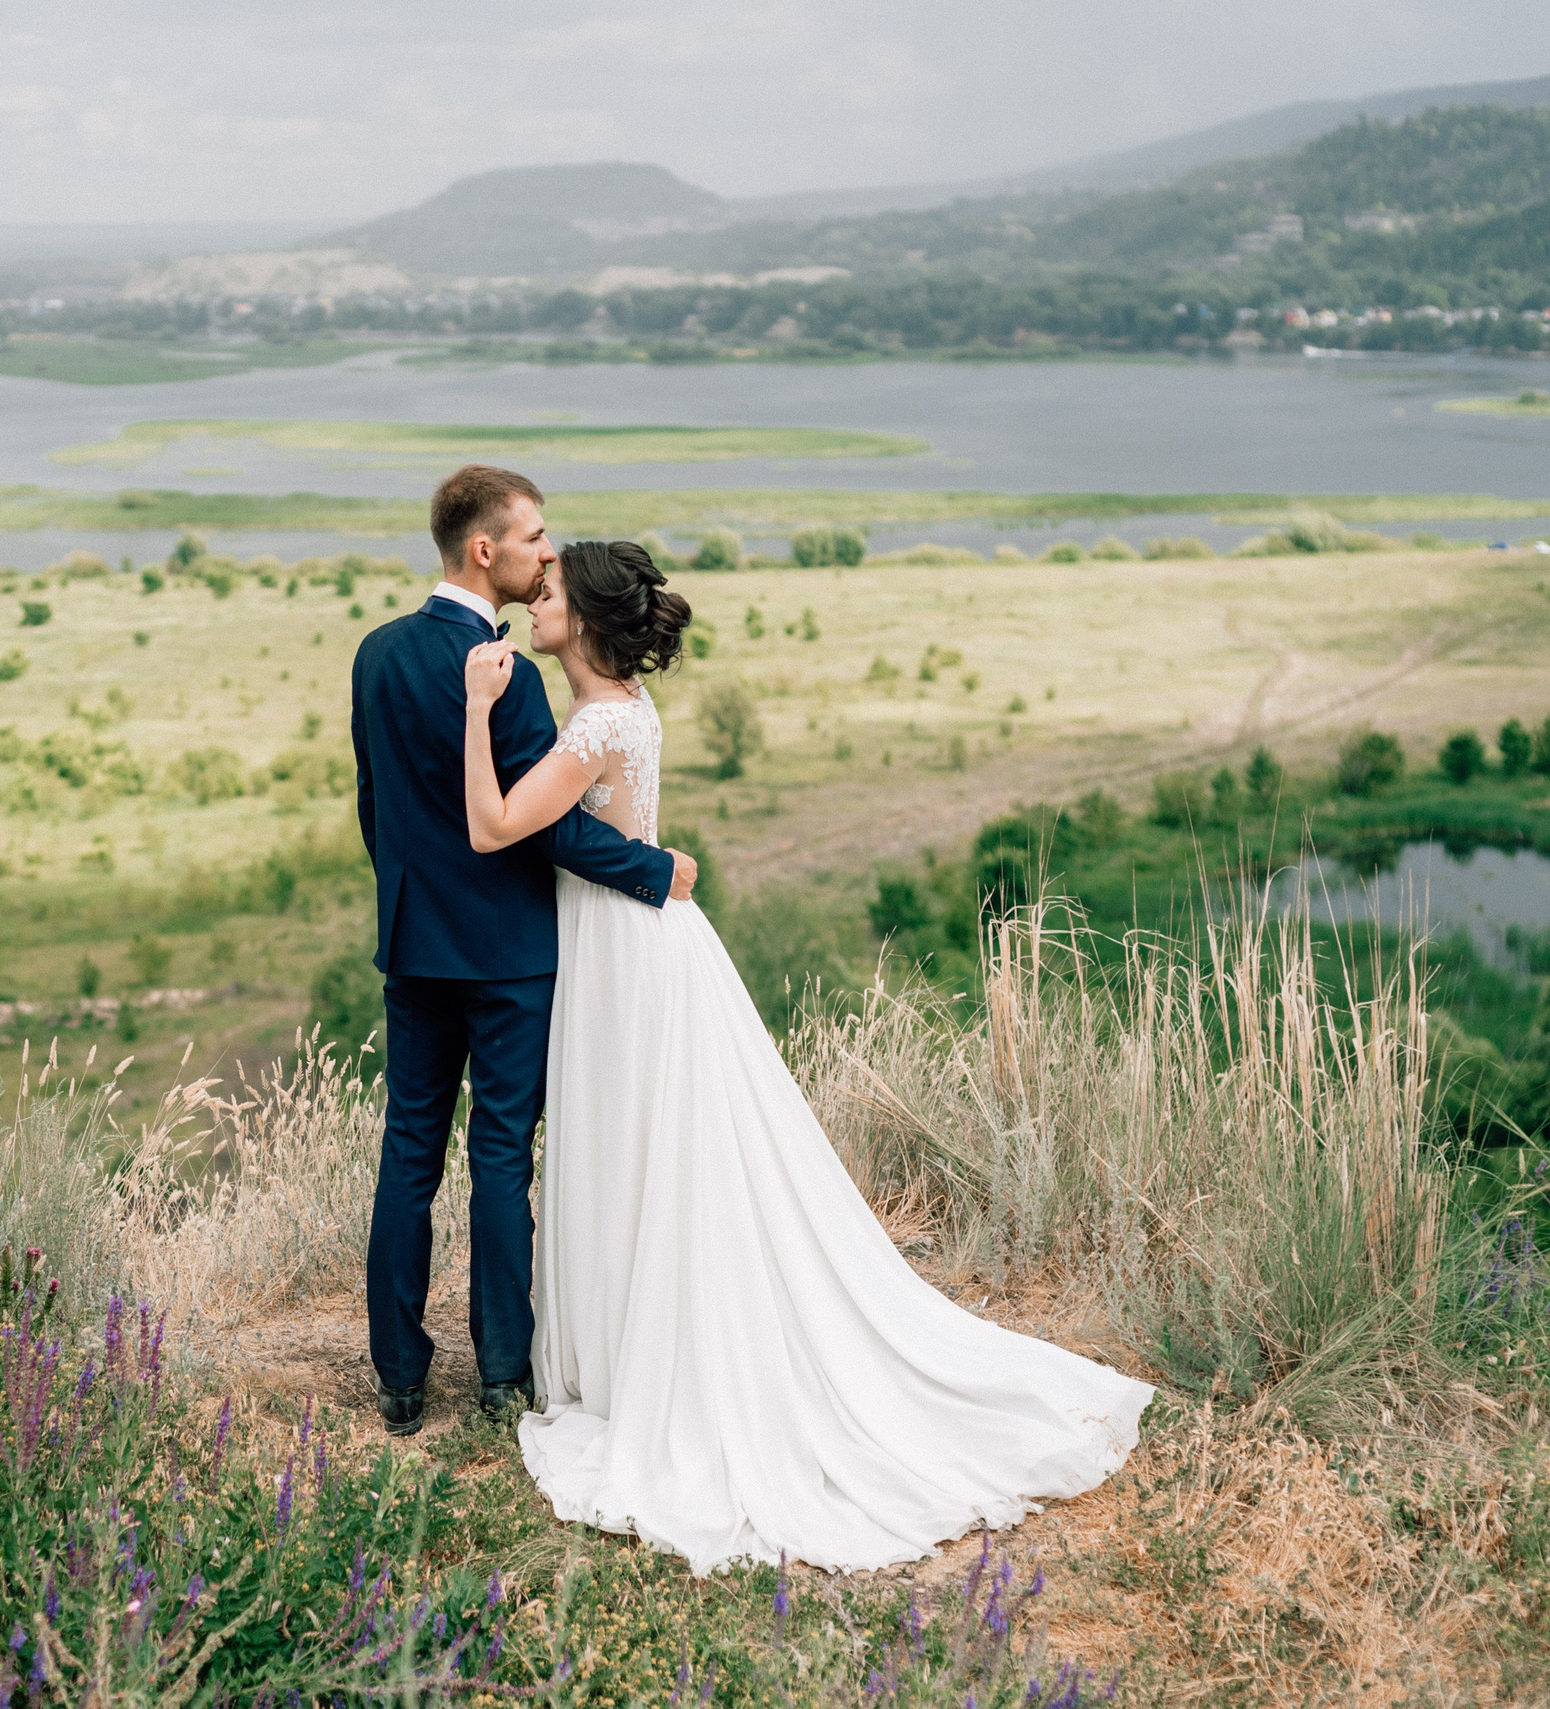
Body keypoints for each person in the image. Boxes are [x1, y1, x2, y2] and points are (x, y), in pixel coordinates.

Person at [459, 537, 1154, 1576]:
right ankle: (628, 1345)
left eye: (550, 590)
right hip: (631, 938)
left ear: (588, 620)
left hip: (621, 949)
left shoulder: (601, 720)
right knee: (642, 1146)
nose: (534, 597)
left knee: (636, 1145)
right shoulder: (618, 715)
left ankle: (649, 1360)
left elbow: (502, 823)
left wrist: (474, 708)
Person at [349, 465, 698, 1438]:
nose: (547, 551)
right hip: (511, 955)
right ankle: (502, 1374)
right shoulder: (513, 675)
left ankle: (398, 1377)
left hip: (415, 946)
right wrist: (652, 868)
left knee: (407, 1152)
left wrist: (406, 906)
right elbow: (544, 830)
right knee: (500, 1155)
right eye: (534, 536)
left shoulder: (375, 655)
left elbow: (375, 807)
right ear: (483, 549)